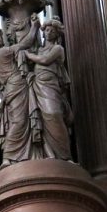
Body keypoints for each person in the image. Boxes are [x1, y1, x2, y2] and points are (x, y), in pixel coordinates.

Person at [0, 13, 41, 168]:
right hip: (16, 84)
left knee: (21, 120)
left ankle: (27, 154)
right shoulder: (2, 52)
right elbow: (26, 42)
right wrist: (35, 26)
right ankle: (8, 157)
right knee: (19, 121)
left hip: (14, 86)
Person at [24, 18, 72, 160]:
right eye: (46, 30)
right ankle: (49, 154)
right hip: (38, 83)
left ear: (57, 34)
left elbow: (45, 60)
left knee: (54, 114)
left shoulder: (58, 49)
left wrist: (29, 55)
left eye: (52, 30)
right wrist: (34, 26)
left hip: (51, 85)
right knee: (42, 118)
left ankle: (64, 156)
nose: (49, 32)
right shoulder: (39, 49)